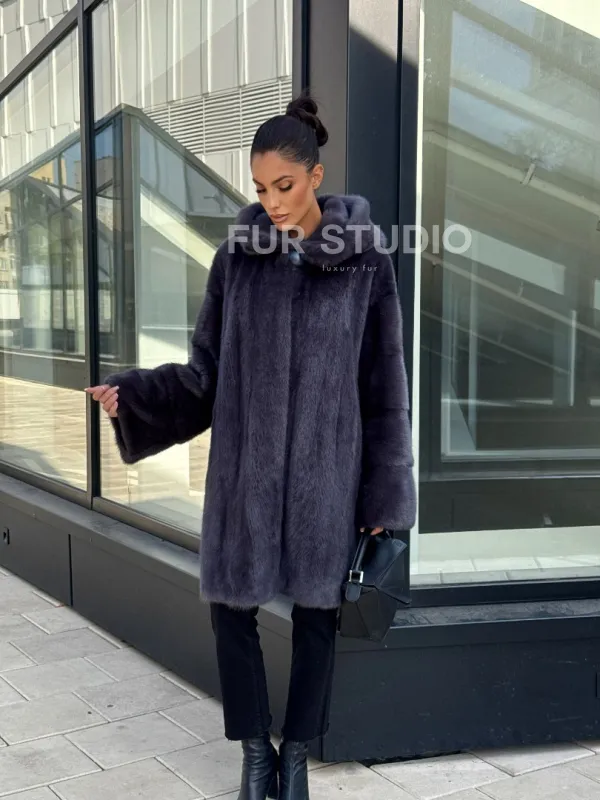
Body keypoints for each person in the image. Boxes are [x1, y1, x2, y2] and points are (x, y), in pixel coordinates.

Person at [86, 94, 416, 800]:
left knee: (318, 620)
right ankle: (255, 753)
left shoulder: (366, 264)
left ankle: (295, 755)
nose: (271, 202)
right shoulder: (236, 259)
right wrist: (137, 396)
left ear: (315, 177)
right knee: (230, 611)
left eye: (284, 185)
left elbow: (385, 388)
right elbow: (205, 374)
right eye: (261, 188)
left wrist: (384, 497)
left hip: (328, 476)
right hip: (245, 472)